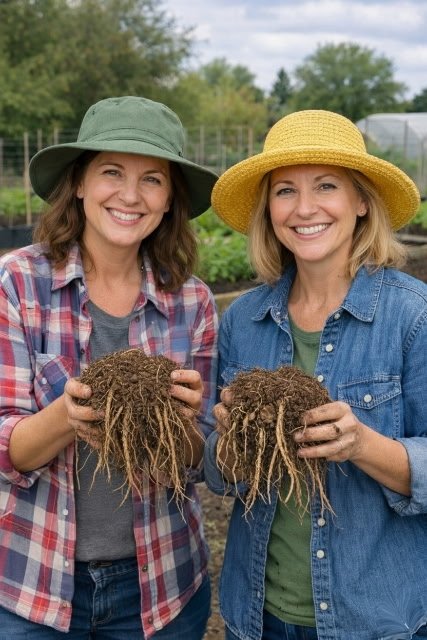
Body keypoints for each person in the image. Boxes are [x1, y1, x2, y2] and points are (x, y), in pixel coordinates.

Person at [0, 95, 219, 639]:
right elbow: (5, 449)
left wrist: (187, 427)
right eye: (112, 172)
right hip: (34, 585)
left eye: (152, 179)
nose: (129, 194)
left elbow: (203, 465)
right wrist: (66, 417)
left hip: (161, 586)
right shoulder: (17, 284)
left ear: (170, 199)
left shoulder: (193, 302)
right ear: (78, 183)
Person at [204, 109, 427, 640]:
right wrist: (227, 445)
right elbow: (220, 474)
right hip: (258, 615)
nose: (304, 208)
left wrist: (362, 444)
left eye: (326, 186)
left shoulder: (412, 318)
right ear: (269, 209)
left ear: (361, 201)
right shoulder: (243, 319)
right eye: (284, 191)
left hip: (377, 621)